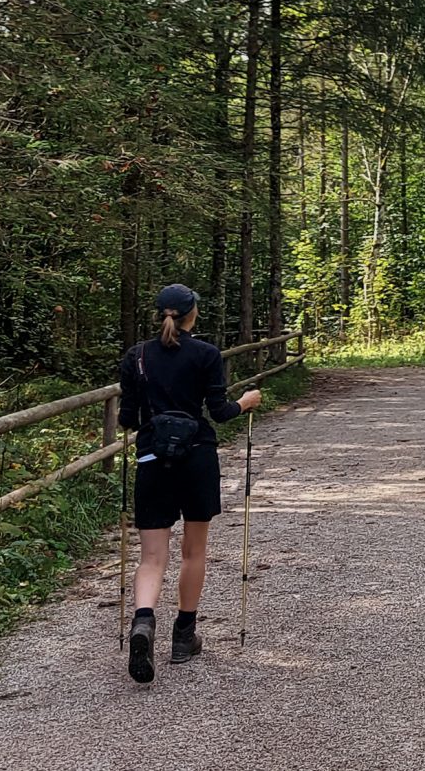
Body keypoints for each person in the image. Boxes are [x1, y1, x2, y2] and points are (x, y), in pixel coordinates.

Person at [117, 283, 261, 683]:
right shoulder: (206, 354)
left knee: (151, 557)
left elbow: (128, 417)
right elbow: (219, 411)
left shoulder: (137, 356)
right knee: (194, 551)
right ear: (192, 314)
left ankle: (143, 624)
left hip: (152, 459)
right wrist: (246, 403)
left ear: (160, 313)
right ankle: (184, 635)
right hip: (196, 457)